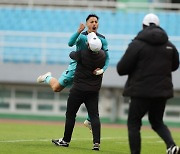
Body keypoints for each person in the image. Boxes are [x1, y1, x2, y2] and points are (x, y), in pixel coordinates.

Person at [116, 13, 180, 154]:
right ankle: (171, 146)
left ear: (143, 26)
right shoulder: (169, 45)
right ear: (158, 25)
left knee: (133, 123)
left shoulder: (137, 44)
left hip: (140, 91)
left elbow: (121, 68)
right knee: (157, 122)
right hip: (161, 91)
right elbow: (175, 65)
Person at [37, 14, 109, 131]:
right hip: (76, 69)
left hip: (91, 71)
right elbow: (70, 43)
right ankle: (47, 77)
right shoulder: (82, 37)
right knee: (56, 88)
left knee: (92, 93)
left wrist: (102, 70)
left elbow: (107, 57)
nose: (94, 23)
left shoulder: (102, 39)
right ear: (87, 24)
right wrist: (78, 32)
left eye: (96, 21)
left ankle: (90, 120)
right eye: (91, 22)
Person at [52, 32, 106, 151]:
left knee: (70, 115)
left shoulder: (82, 54)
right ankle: (96, 143)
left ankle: (65, 141)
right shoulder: (102, 55)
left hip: (78, 90)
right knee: (94, 116)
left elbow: (71, 54)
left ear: (88, 45)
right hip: (93, 91)